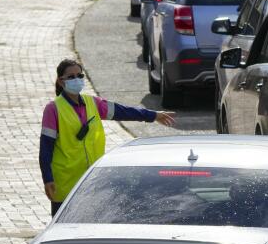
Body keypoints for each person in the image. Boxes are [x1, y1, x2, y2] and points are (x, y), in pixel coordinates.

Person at [40, 59, 176, 215]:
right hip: (65, 184)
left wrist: (153, 115)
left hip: (92, 182)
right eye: (71, 77)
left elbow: (122, 111)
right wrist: (48, 179)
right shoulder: (53, 109)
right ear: (61, 81)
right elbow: (45, 148)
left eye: (79, 75)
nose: (76, 79)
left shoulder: (93, 103)